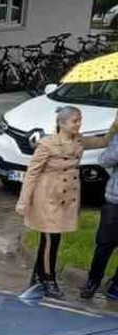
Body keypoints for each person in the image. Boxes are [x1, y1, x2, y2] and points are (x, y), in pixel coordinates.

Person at [17, 105, 96, 299]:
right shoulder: (47, 144)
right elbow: (32, 173)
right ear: (62, 123)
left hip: (66, 198)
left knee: (53, 238)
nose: (78, 124)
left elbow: (100, 141)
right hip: (48, 197)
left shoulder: (78, 140)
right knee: (51, 238)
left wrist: (114, 128)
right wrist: (23, 200)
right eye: (74, 121)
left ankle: (37, 276)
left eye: (80, 120)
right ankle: (48, 279)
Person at [81, 115, 118, 299]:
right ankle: (93, 280)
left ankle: (115, 284)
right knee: (105, 243)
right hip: (115, 201)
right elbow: (104, 161)